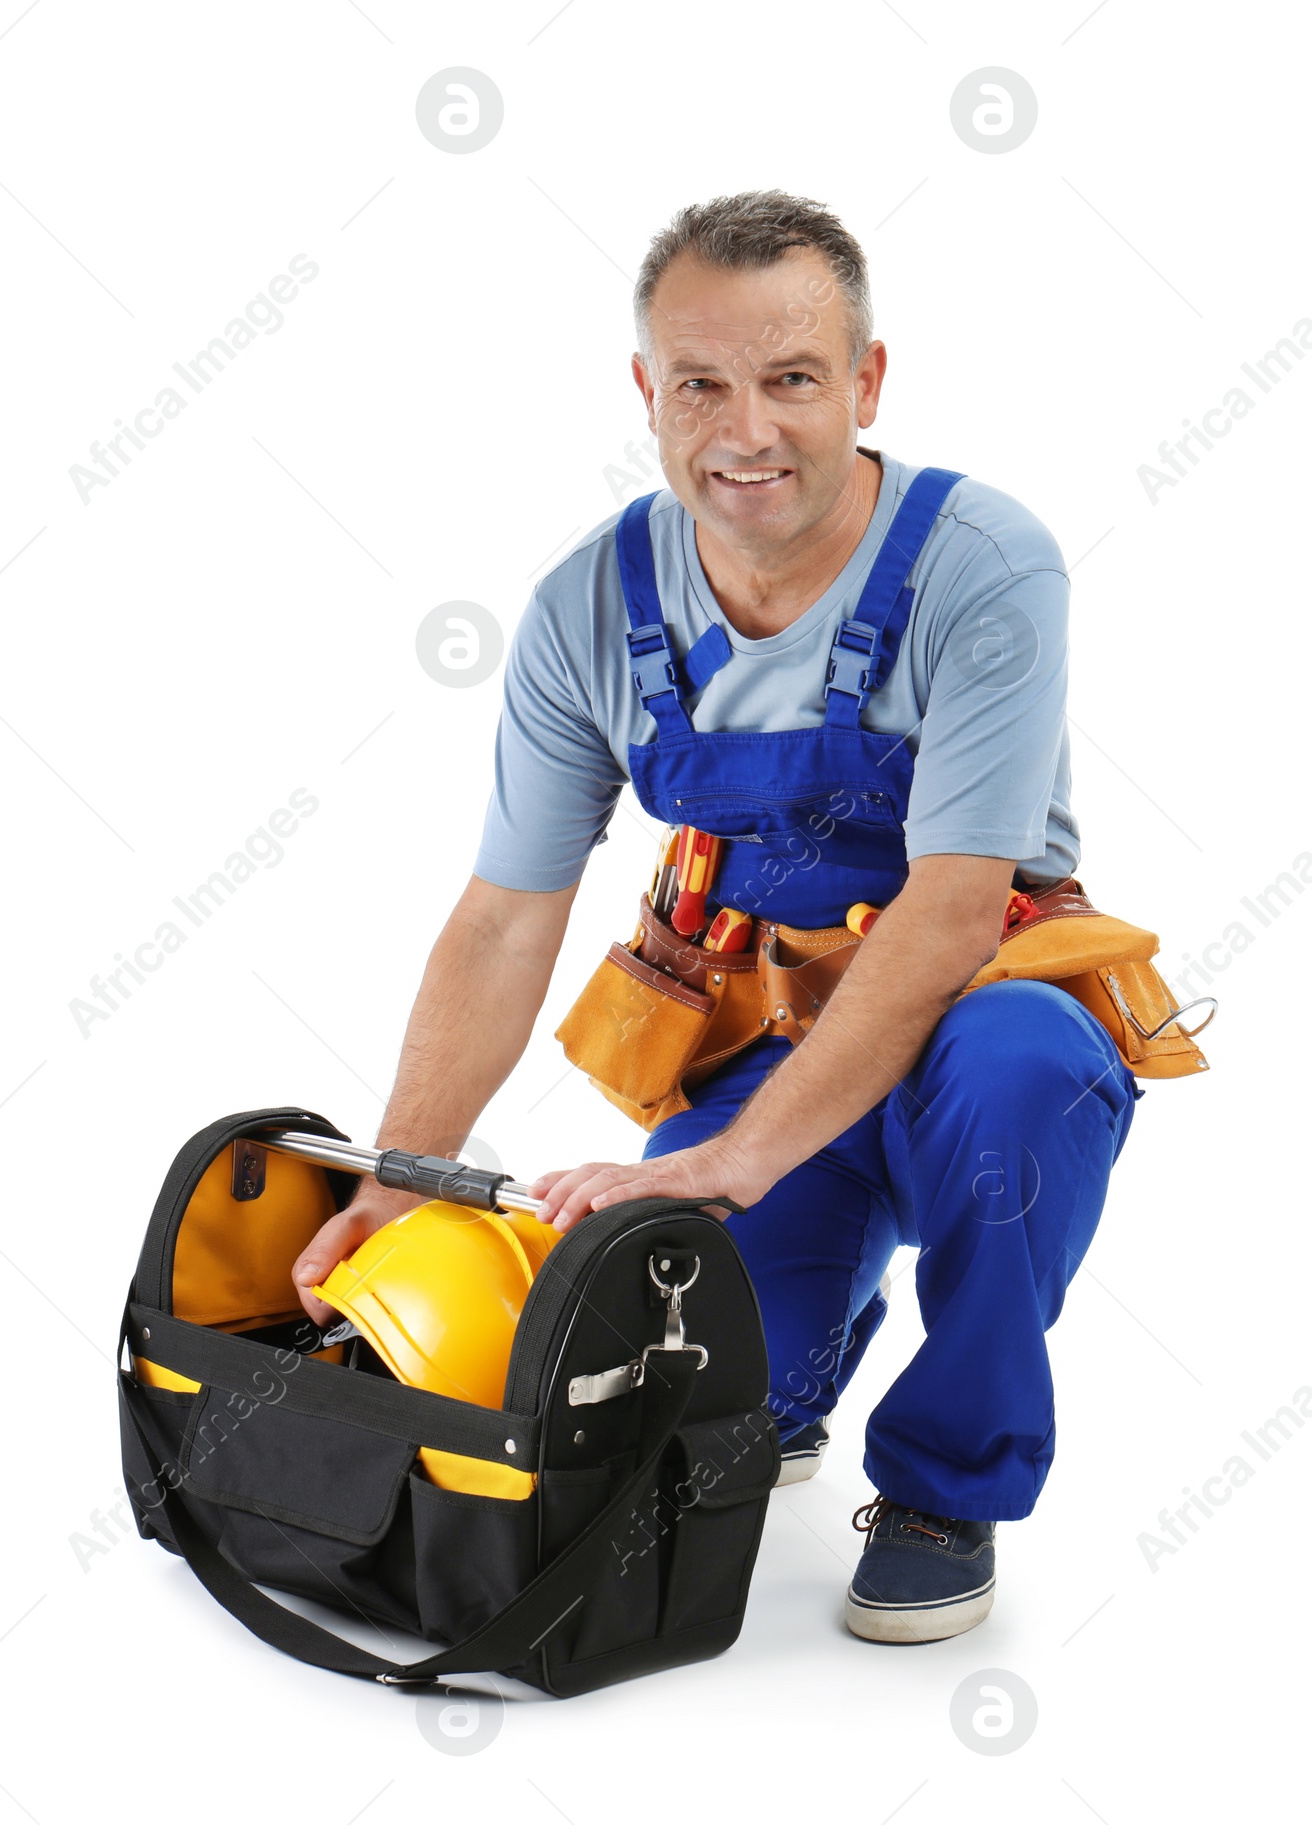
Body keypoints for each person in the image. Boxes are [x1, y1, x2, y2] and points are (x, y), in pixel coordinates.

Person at [292, 189, 1141, 1645]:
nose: (745, 429)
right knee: (678, 1382)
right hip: (763, 1042)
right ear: (649, 393)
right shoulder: (590, 606)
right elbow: (506, 914)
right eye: (702, 384)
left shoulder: (982, 563)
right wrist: (405, 1169)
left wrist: (737, 1166)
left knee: (1013, 1079)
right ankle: (803, 1360)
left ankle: (950, 1481)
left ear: (866, 382)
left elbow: (943, 919)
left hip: (976, 1014)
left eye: (793, 379)